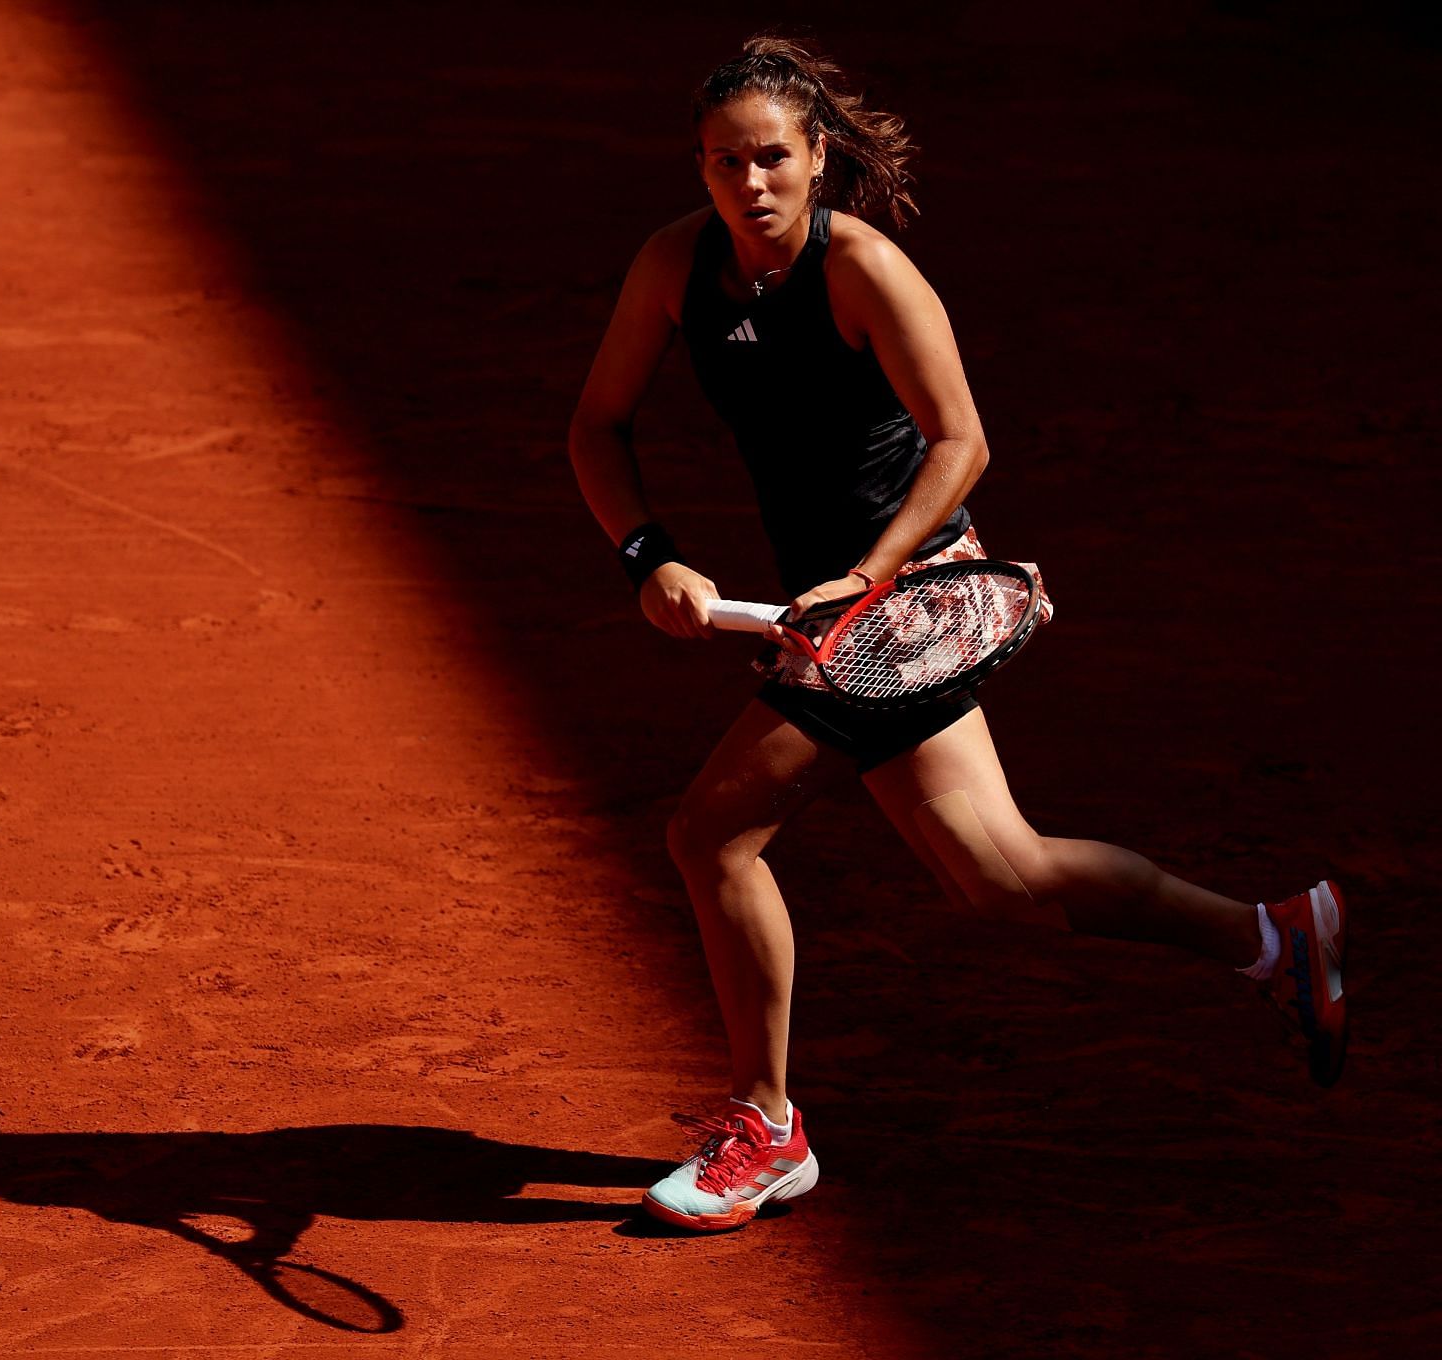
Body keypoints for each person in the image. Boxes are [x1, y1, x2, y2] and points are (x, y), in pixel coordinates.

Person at [566, 36, 1349, 1234]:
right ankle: (1273, 937)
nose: (751, 184)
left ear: (816, 156)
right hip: (839, 612)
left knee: (711, 834)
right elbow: (596, 429)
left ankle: (767, 1127)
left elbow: (962, 443)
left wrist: (866, 579)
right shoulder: (675, 265)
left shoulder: (866, 268)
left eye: (773, 157)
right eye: (725, 163)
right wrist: (648, 555)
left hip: (917, 597)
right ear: (701, 167)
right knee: (1001, 874)